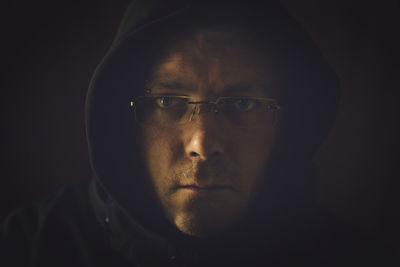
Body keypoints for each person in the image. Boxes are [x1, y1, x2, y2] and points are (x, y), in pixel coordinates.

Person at [2, 1, 397, 266]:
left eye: (243, 104)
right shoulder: (26, 247)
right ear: (117, 117)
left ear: (289, 127)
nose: (202, 144)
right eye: (166, 102)